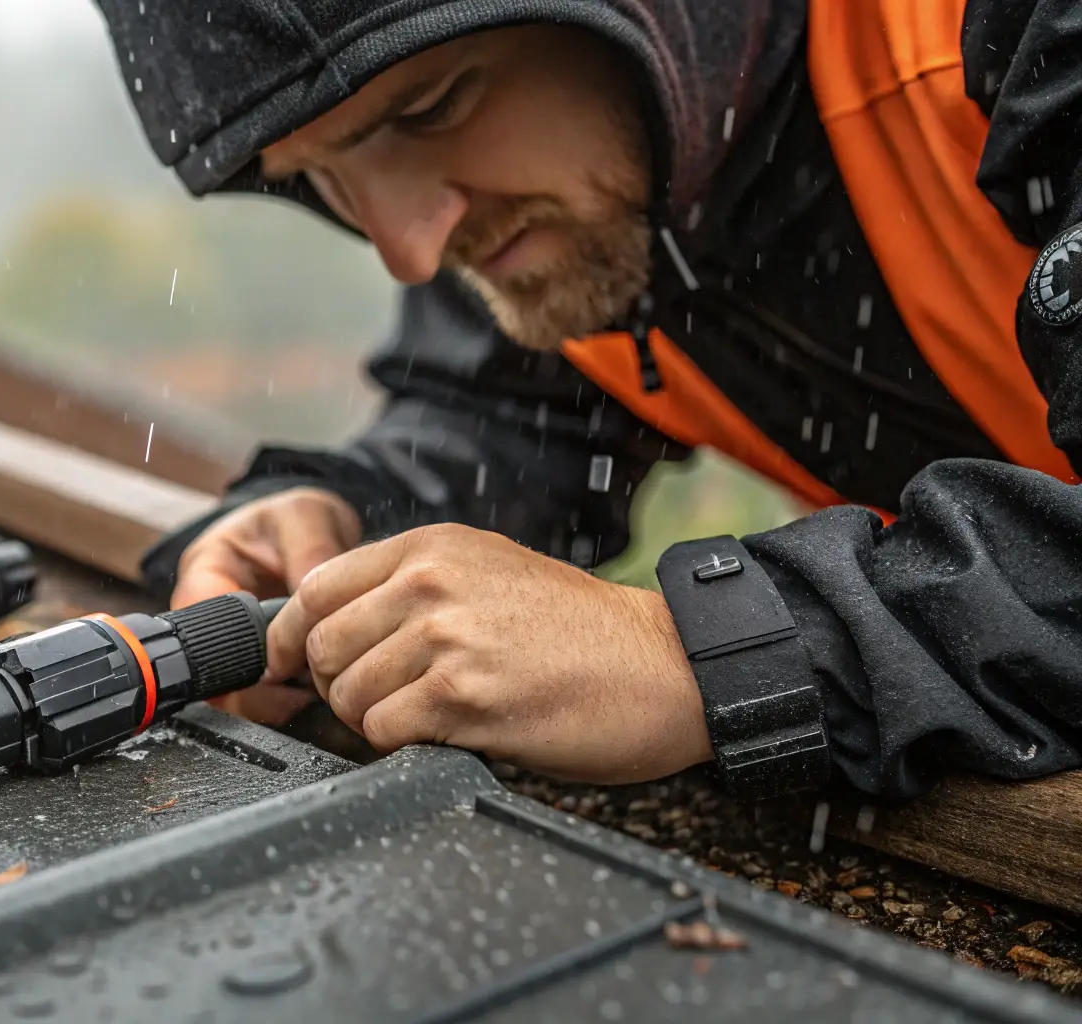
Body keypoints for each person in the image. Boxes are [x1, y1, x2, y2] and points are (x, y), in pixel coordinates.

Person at [91, 0, 1082, 804]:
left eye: (426, 109)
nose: (408, 245)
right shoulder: (580, 181)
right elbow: (510, 421)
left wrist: (697, 656)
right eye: (316, 175)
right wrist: (348, 520)